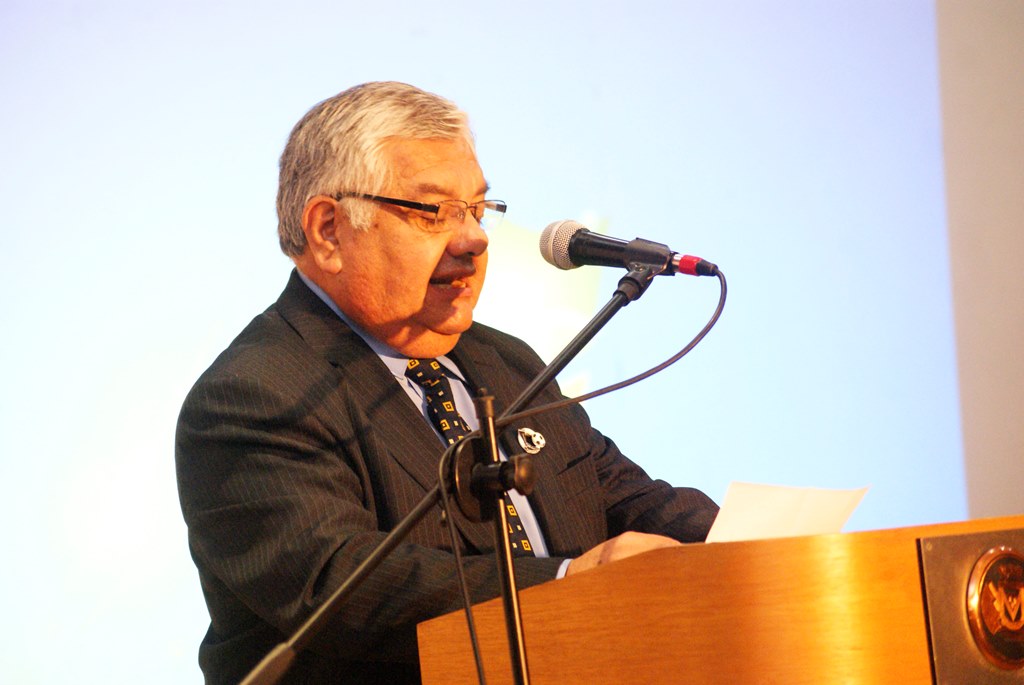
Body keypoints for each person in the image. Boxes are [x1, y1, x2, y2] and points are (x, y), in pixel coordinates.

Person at [176, 81, 718, 685]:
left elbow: (625, 500)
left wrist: (754, 539)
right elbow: (343, 586)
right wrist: (569, 584)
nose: (475, 239)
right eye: (433, 211)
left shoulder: (505, 361)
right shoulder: (255, 394)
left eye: (477, 210)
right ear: (329, 231)